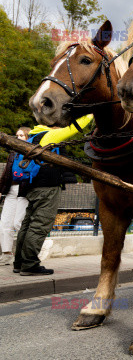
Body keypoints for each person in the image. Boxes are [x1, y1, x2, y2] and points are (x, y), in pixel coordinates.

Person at [13, 115, 93, 275]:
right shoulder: (49, 135)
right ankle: (29, 265)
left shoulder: (34, 135)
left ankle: (19, 263)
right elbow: (74, 128)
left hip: (33, 186)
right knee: (39, 225)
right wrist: (90, 113)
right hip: (47, 188)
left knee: (28, 224)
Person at [0, 127, 31, 266]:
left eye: (21, 136)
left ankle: (26, 254)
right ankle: (6, 254)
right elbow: (6, 172)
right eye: (17, 135)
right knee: (4, 224)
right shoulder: (12, 153)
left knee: (18, 223)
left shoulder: (32, 152)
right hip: (11, 190)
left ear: (28, 137)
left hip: (24, 191)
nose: (18, 138)